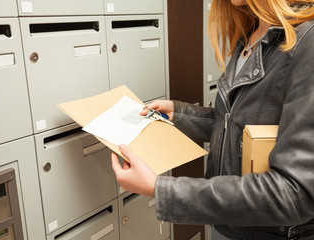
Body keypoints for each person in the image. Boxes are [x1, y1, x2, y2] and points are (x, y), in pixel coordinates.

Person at [111, 0, 314, 239]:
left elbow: (294, 194)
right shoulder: (253, 31)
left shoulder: (306, 41)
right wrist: (180, 114)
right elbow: (240, 122)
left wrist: (162, 189)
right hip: (228, 224)